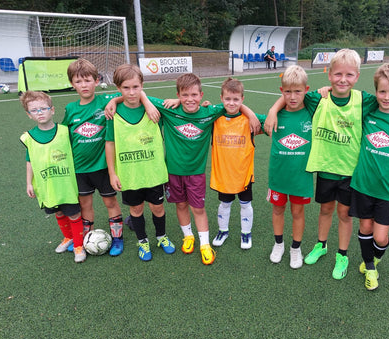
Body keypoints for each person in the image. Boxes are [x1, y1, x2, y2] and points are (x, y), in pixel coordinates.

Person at [265, 49, 389, 280]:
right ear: (329, 74)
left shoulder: (364, 100)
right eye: (338, 74)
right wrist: (272, 110)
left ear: (357, 76)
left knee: (344, 214)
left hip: (349, 172)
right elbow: (291, 93)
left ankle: (342, 254)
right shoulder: (318, 98)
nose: (343, 79)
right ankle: (321, 244)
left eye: (349, 75)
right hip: (326, 168)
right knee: (325, 210)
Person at [109, 73, 260, 265]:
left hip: (196, 173)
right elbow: (135, 93)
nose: (190, 99)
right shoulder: (169, 109)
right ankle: (188, 236)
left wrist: (251, 114)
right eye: (185, 95)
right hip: (173, 172)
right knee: (180, 205)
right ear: (178, 95)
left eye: (194, 95)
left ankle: (205, 244)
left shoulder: (210, 112)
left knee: (198, 208)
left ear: (201, 95)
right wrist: (124, 100)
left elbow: (233, 104)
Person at [63, 59, 159, 257]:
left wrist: (144, 103)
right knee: (85, 205)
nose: (84, 85)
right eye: (78, 81)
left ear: (96, 81)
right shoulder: (70, 109)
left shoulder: (106, 100)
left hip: (104, 167)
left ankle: (117, 239)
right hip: (80, 168)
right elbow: (64, 136)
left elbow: (133, 91)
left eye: (88, 80)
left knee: (110, 203)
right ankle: (85, 239)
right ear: (72, 84)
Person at [104, 64, 175, 262]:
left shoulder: (153, 106)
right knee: (136, 210)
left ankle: (161, 236)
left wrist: (149, 101)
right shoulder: (113, 112)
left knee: (158, 208)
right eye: (126, 88)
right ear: (118, 88)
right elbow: (110, 143)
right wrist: (112, 173)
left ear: (142, 85)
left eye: (136, 87)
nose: (131, 92)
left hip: (153, 172)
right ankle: (143, 241)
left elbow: (181, 103)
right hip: (130, 174)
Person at [350, 64, 389, 290]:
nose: (386, 97)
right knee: (365, 227)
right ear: (375, 91)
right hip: (363, 185)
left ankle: (375, 258)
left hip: (387, 191)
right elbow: (344, 97)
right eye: (382, 91)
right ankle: (370, 268)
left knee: (381, 237)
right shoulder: (368, 112)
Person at [20, 91, 86, 263]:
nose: (40, 112)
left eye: (43, 108)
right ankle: (68, 237)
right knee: (58, 212)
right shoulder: (29, 137)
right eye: (34, 110)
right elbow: (29, 161)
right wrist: (29, 183)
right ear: (29, 115)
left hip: (67, 184)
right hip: (47, 184)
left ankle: (79, 246)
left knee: (73, 214)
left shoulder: (65, 131)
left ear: (52, 110)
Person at [267, 65, 314, 269]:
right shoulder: (276, 116)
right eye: (287, 91)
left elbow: (330, 93)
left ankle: (296, 248)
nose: (292, 97)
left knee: (297, 212)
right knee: (278, 210)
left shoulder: (312, 111)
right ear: (281, 91)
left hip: (301, 178)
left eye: (298, 91)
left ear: (306, 90)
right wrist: (272, 110)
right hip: (278, 177)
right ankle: (279, 244)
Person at [210, 78, 263, 250]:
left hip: (243, 175)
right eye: (227, 99)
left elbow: (270, 121)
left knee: (245, 204)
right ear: (221, 98)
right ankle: (223, 231)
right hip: (224, 175)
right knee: (224, 204)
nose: (231, 103)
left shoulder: (250, 121)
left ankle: (246, 233)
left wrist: (252, 115)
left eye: (236, 99)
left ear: (242, 99)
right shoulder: (215, 119)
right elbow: (197, 112)